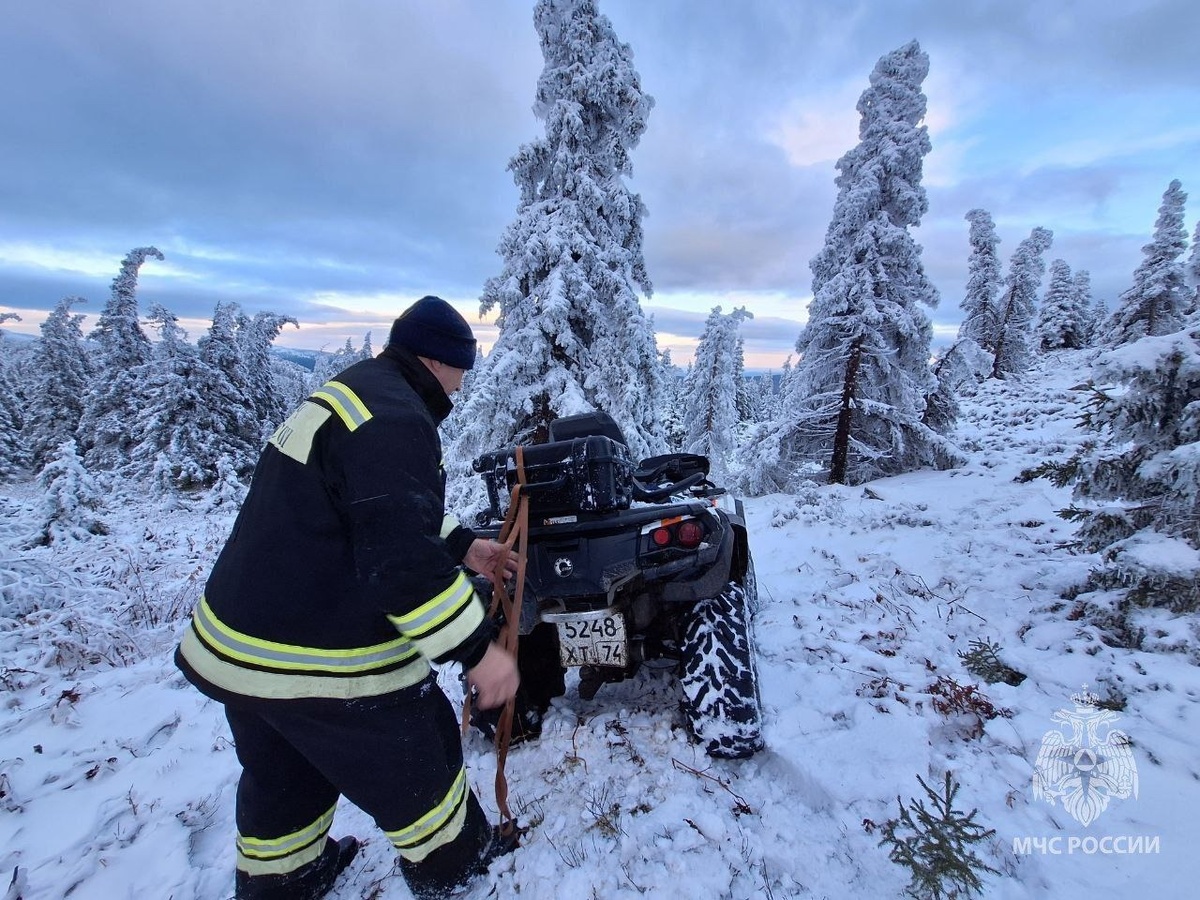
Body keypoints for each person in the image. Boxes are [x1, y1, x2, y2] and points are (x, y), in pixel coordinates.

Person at [175, 295, 521, 900]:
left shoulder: (356, 394)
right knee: (418, 751)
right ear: (436, 361)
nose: (463, 387)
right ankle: (453, 864)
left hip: (240, 645)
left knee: (284, 774)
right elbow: (400, 567)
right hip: (316, 655)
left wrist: (464, 544)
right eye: (461, 370)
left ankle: (284, 881)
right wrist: (478, 650)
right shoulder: (396, 420)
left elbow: (367, 511)